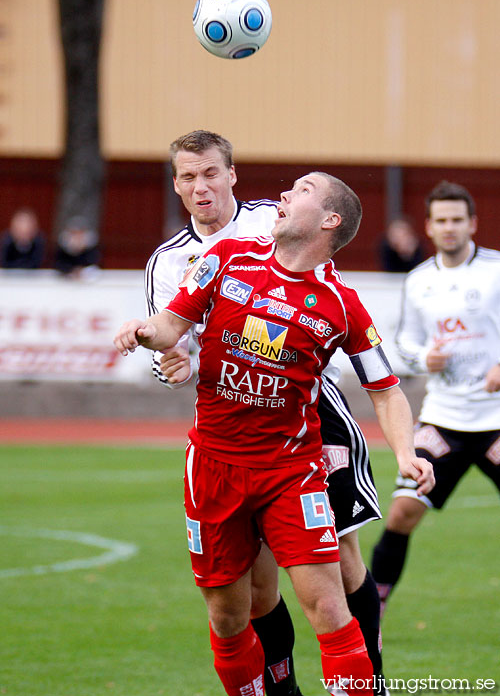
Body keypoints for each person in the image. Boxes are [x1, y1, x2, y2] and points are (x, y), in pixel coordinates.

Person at [115, 170, 434, 696]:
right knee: (227, 615)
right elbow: (172, 324)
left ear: (329, 221)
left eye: (302, 191)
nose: (284, 195)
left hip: (291, 471)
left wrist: (405, 452)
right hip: (213, 466)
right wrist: (146, 333)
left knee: (329, 605)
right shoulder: (226, 259)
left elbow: (386, 389)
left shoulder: (341, 302)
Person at [371, 180, 500, 617]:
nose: (449, 228)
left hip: (496, 421)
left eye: (457, 220)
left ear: (472, 224)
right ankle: (374, 612)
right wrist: (427, 356)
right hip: (443, 420)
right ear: (428, 226)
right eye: (441, 221)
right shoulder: (419, 281)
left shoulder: (496, 270)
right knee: (402, 513)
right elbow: (404, 344)